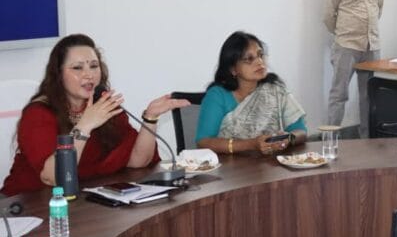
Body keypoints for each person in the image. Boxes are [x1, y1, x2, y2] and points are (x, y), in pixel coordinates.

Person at [1, 34, 190, 196]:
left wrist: (150, 118)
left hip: (84, 200)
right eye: (77, 68)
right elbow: (53, 177)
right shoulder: (38, 114)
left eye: (94, 66)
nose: (88, 74)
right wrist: (84, 126)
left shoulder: (104, 105)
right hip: (31, 205)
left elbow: (138, 160)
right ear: (58, 74)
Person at [195, 31, 307, 155]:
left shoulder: (275, 91)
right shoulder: (218, 95)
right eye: (249, 59)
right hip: (230, 164)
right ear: (233, 69)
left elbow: (301, 131)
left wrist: (288, 138)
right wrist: (251, 144)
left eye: (260, 55)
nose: (259, 62)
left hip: (273, 164)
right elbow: (203, 142)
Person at [323, 0, 384, 137]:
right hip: (346, 46)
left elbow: (378, 7)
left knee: (369, 96)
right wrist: (344, 33)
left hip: (371, 46)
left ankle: (366, 139)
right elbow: (328, 15)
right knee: (339, 94)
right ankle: (330, 139)